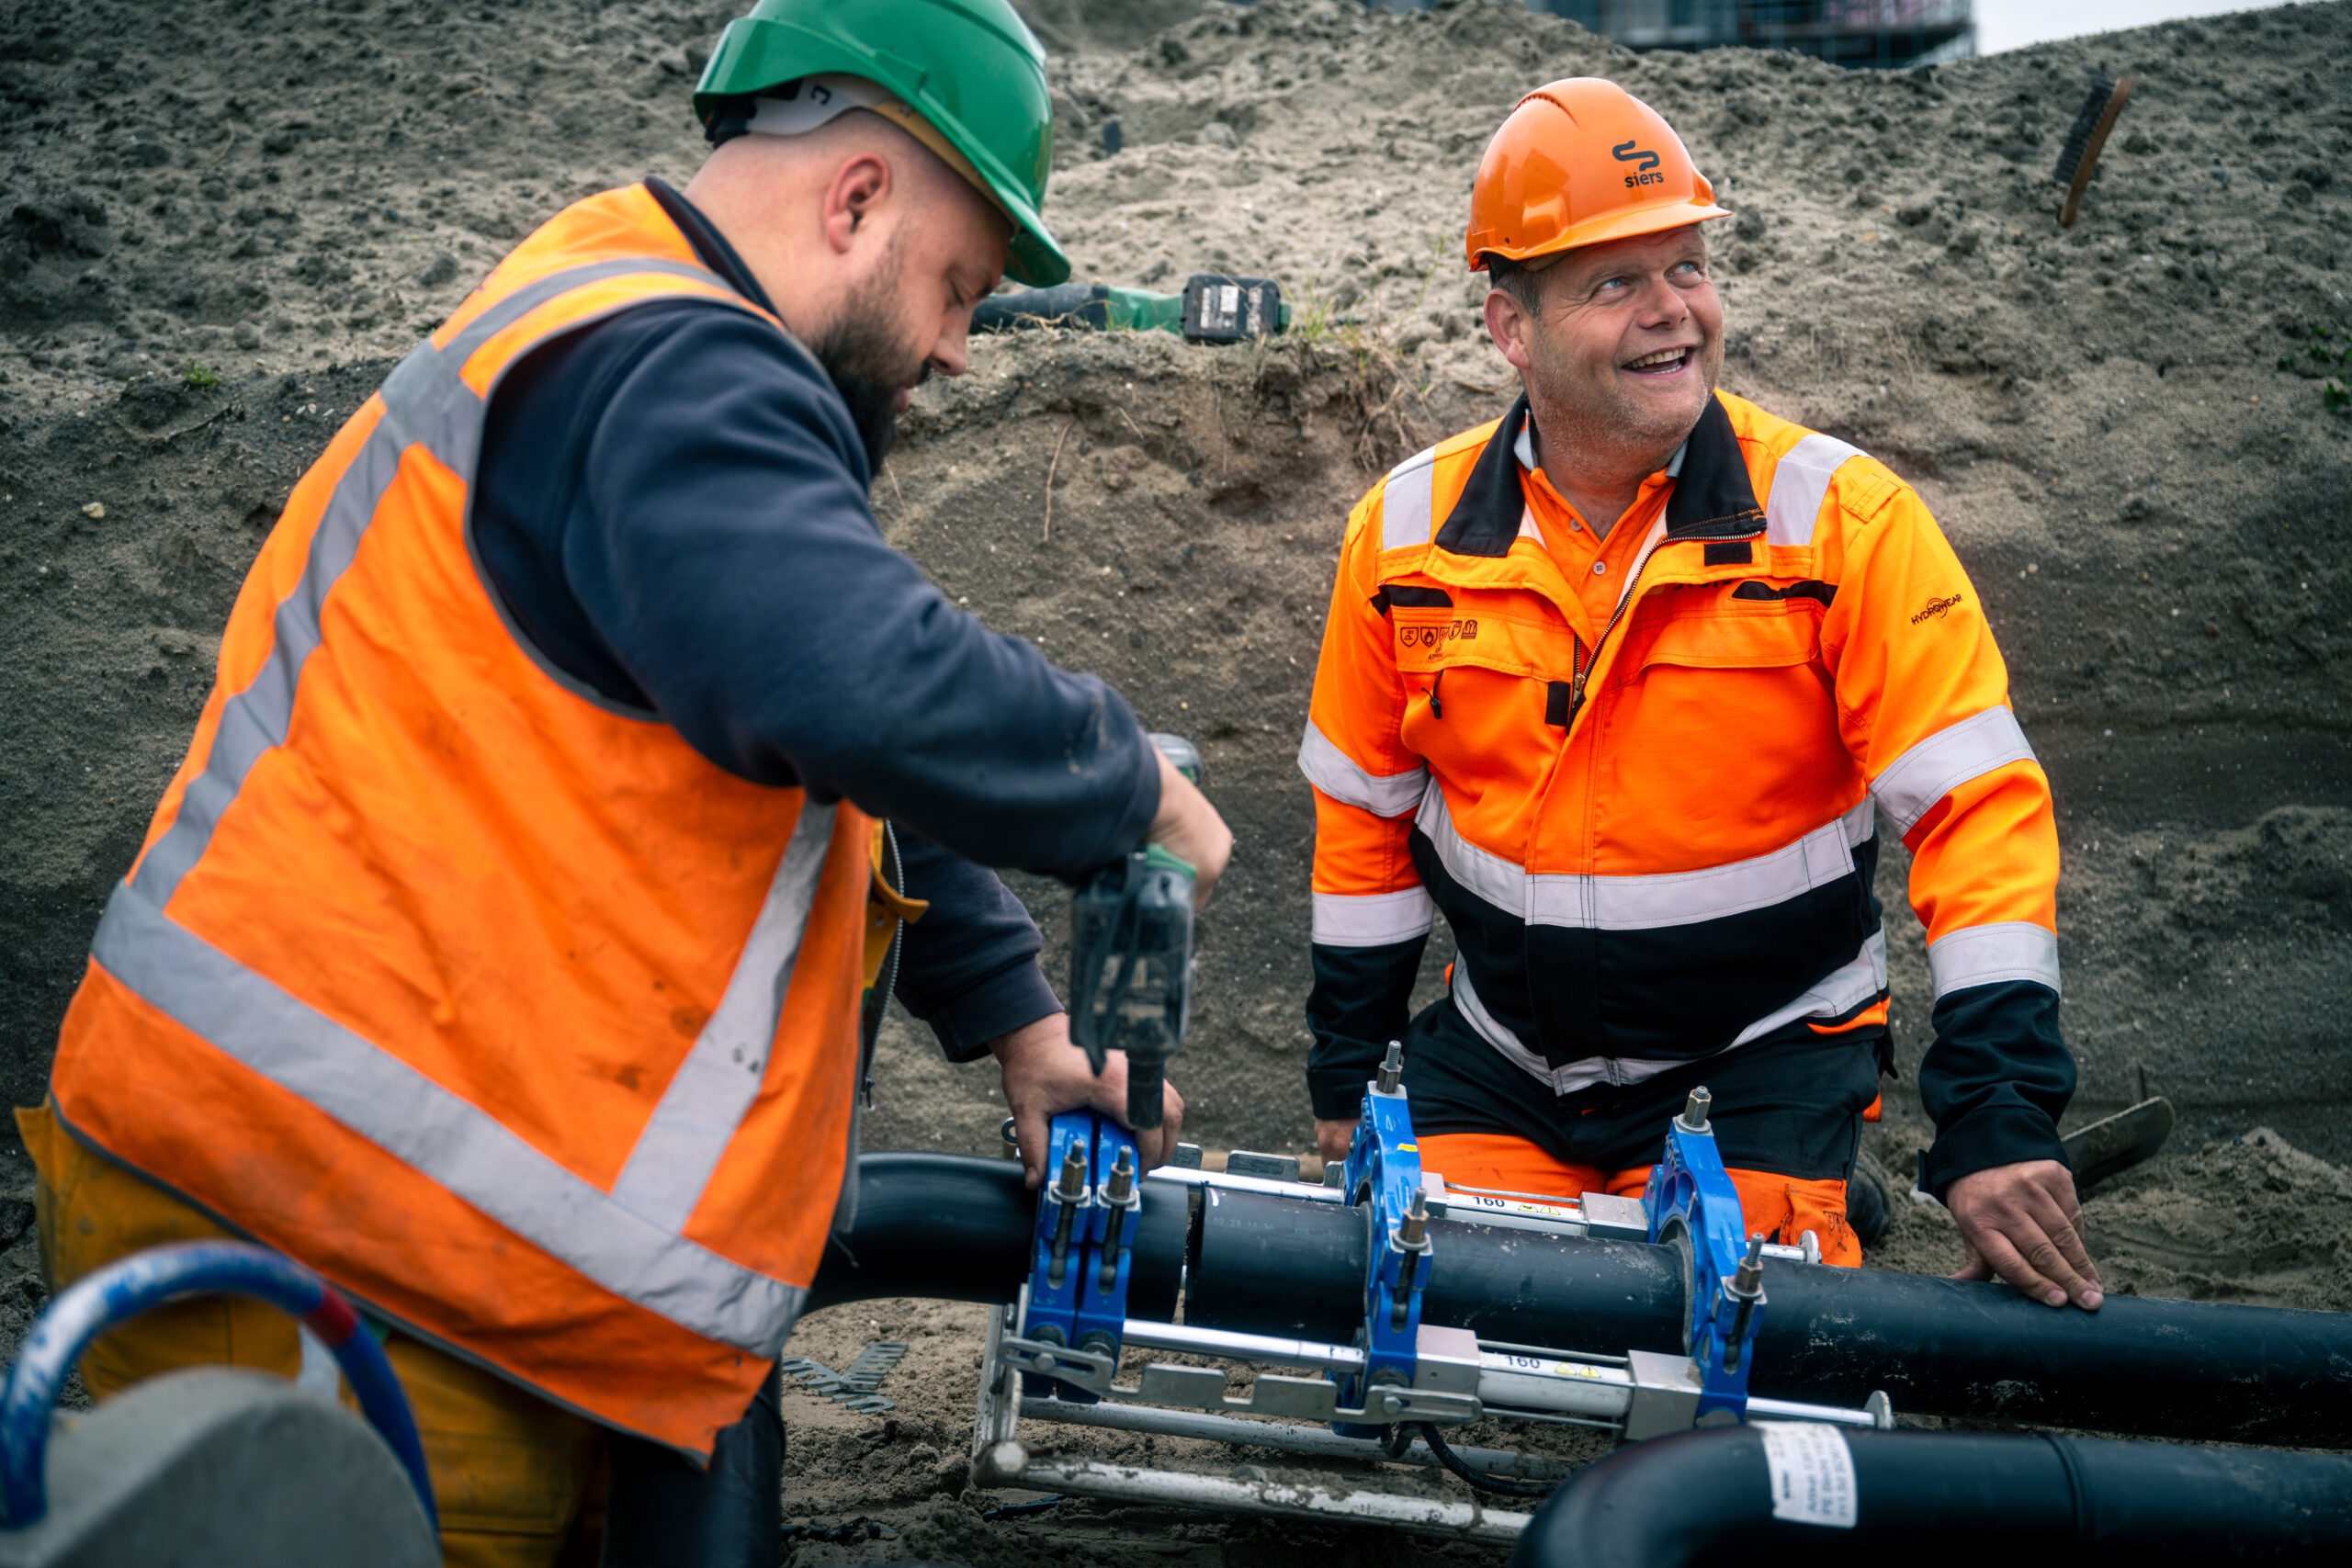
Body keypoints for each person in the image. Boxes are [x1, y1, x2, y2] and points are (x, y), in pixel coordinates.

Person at [20, 1, 1230, 1562]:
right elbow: (847, 678)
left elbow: (809, 757)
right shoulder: (667, 362)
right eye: (960, 288)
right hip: (329, 1239)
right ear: (858, 196)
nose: (952, 348)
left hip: (391, 1234)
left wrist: (1017, 1017)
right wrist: (1123, 788)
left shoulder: (643, 351)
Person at [1299, 79, 2097, 1311]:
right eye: (1615, 282)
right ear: (1511, 329)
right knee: (1442, 1315)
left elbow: (1977, 814)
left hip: (1761, 1060)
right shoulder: (1405, 536)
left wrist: (1998, 1116)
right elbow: (1363, 818)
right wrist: (1352, 1081)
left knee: (1720, 1335)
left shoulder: (1842, 524)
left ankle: (1822, 1186)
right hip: (1504, 1062)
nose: (1674, 309)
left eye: (1689, 267)